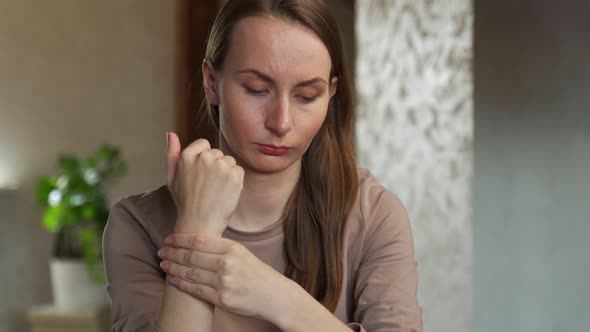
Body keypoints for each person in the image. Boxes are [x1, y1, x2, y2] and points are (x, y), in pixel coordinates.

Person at [102, 0, 423, 331]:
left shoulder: (373, 214)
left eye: (307, 96)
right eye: (257, 90)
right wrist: (197, 227)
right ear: (212, 82)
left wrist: (279, 298)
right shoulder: (137, 225)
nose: (281, 123)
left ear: (331, 94)